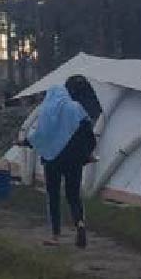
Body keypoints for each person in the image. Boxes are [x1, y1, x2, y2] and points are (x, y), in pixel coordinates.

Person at [28, 75, 100, 248]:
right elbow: (88, 133)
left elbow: (40, 135)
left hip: (52, 159)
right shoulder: (76, 108)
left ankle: (55, 235)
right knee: (73, 195)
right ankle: (79, 223)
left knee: (53, 195)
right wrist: (87, 153)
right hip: (74, 159)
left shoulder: (46, 110)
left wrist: (27, 141)